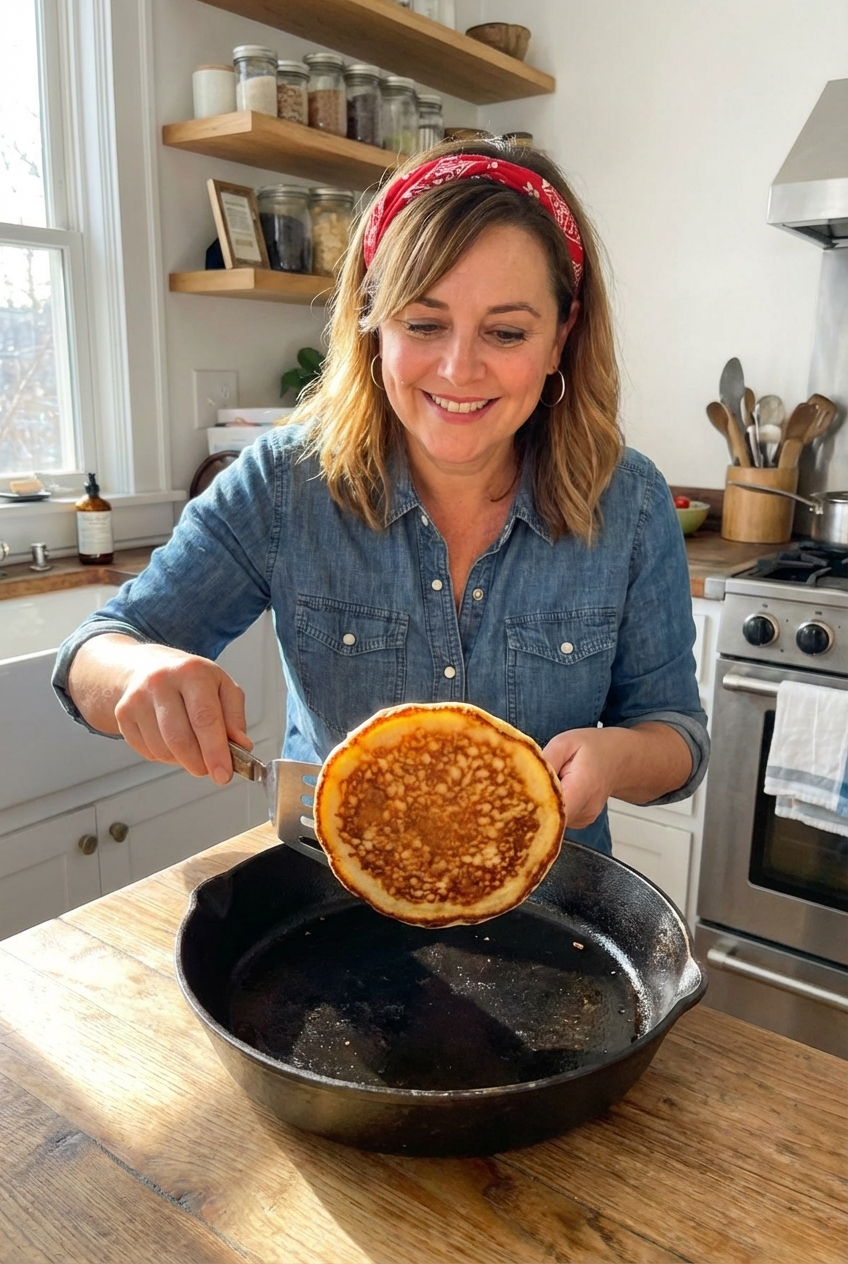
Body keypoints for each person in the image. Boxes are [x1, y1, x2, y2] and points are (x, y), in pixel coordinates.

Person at [53, 140, 708, 855]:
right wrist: (140, 671)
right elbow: (92, 654)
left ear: (560, 338)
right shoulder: (285, 483)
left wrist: (616, 758)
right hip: (331, 893)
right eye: (424, 324)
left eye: (506, 332)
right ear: (373, 319)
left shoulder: (631, 503)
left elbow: (677, 736)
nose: (459, 369)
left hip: (552, 901)